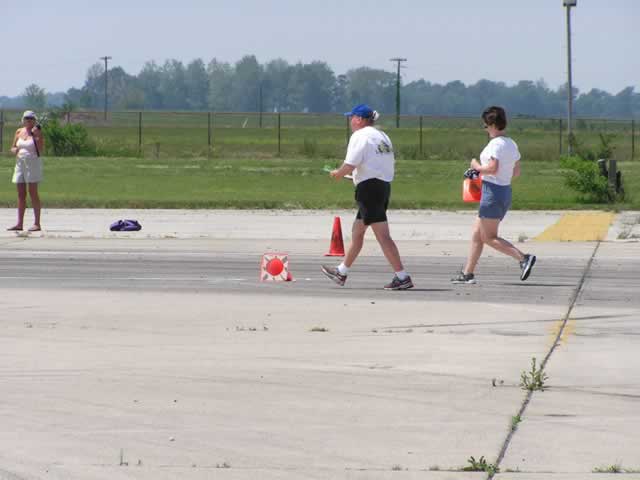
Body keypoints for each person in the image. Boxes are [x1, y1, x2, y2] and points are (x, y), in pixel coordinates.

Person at [321, 104, 413, 290]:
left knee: (383, 236)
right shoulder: (382, 136)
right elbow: (378, 163)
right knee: (358, 232)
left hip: (369, 190)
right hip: (382, 186)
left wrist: (338, 174)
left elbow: (350, 163)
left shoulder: (360, 136)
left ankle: (402, 277)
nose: (350, 121)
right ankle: (341, 272)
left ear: (359, 119)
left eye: (352, 117)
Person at [452, 106, 536, 284]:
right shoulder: (511, 144)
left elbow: (492, 168)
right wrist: (490, 177)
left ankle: (523, 258)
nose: (485, 129)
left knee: (488, 237)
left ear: (492, 124)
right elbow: (516, 172)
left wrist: (475, 167)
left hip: (492, 193)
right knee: (477, 233)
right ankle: (468, 273)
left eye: (485, 126)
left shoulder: (496, 144)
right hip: (504, 191)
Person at [8, 111, 44, 232]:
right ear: (23, 119)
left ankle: (37, 223)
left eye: (31, 118)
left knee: (33, 192)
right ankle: (19, 223)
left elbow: (40, 149)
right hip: (20, 164)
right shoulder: (19, 131)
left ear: (34, 120)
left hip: (32, 164)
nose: (28, 120)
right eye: (26, 118)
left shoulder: (37, 133)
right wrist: (14, 150)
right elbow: (13, 147)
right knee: (21, 193)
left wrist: (36, 136)